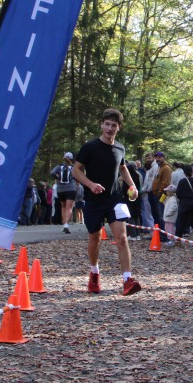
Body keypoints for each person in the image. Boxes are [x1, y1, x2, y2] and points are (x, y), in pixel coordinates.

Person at [71, 108, 142, 296]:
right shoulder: (90, 147)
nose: (110, 128)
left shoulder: (120, 148)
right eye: (107, 124)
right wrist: (90, 184)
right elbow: (75, 170)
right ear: (101, 125)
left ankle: (127, 280)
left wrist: (132, 186)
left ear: (119, 127)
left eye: (114, 125)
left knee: (122, 238)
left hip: (114, 200)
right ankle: (94, 274)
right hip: (93, 200)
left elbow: (123, 167)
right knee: (94, 239)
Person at [51, 152, 77, 233]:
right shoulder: (73, 167)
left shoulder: (59, 167)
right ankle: (66, 224)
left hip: (60, 189)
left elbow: (52, 173)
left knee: (63, 206)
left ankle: (64, 223)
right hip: (71, 189)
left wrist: (58, 178)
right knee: (69, 207)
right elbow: (78, 176)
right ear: (72, 159)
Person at [151, 152, 172, 240]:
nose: (158, 159)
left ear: (164, 157)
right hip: (156, 194)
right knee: (158, 215)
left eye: (160, 157)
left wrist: (159, 193)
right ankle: (159, 234)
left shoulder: (166, 168)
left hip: (161, 195)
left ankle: (164, 235)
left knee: (161, 215)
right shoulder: (159, 168)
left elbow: (165, 183)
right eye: (156, 157)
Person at [139, 152, 156, 228]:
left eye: (149, 158)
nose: (148, 160)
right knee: (148, 213)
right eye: (146, 158)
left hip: (151, 193)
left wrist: (146, 190)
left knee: (151, 214)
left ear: (153, 158)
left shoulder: (154, 168)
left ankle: (153, 230)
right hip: (147, 194)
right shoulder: (148, 170)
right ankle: (152, 230)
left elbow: (152, 182)